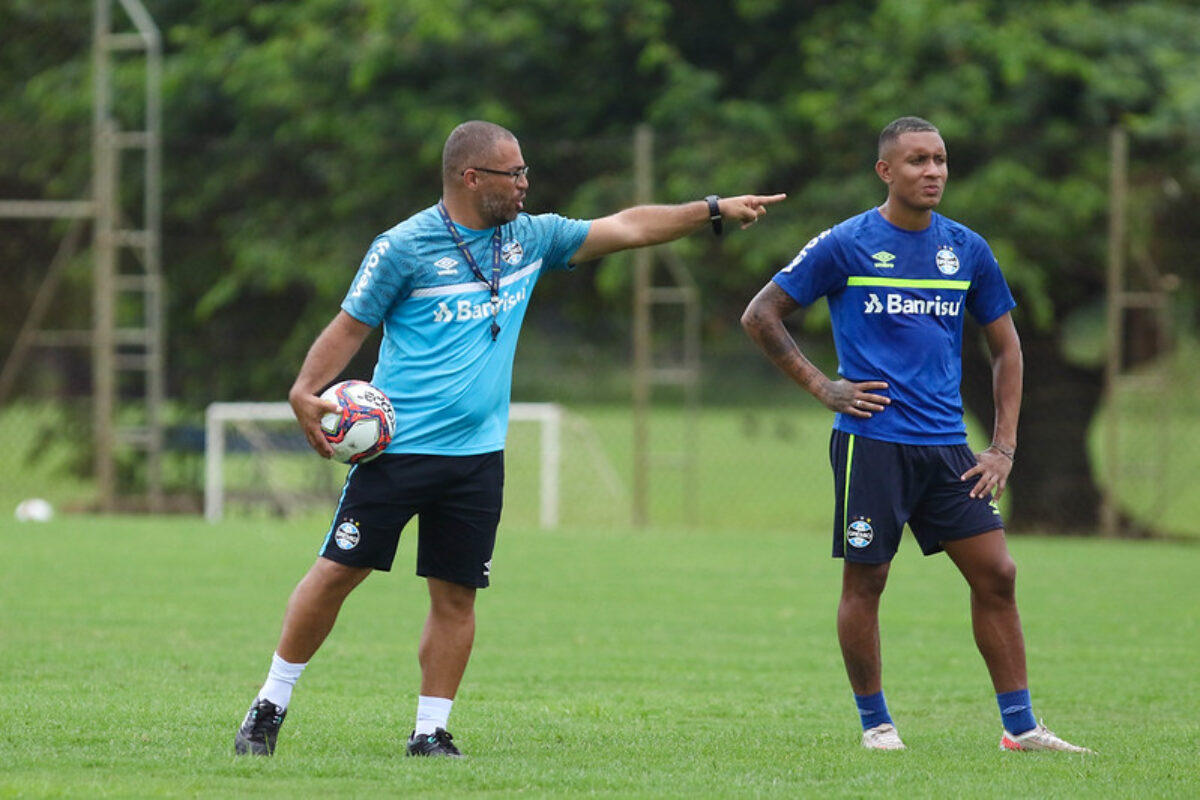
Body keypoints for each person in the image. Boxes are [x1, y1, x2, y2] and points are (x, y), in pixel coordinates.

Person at [233, 120, 785, 758]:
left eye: (525, 171)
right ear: (472, 178)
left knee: (457, 594)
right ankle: (269, 705)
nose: (526, 184)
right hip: (397, 450)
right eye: (513, 173)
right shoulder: (404, 247)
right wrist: (306, 389)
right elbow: (350, 327)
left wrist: (711, 210)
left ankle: (430, 731)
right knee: (337, 573)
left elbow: (628, 227)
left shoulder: (531, 238)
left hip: (476, 460)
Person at [740, 116, 1090, 753]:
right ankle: (876, 724)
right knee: (866, 582)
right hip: (871, 445)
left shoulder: (967, 249)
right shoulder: (846, 243)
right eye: (917, 162)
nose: (933, 172)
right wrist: (824, 387)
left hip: (948, 449)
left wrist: (1004, 446)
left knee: (998, 575)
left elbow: (1007, 350)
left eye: (940, 160)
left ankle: (1021, 728)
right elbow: (761, 314)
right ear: (885, 171)